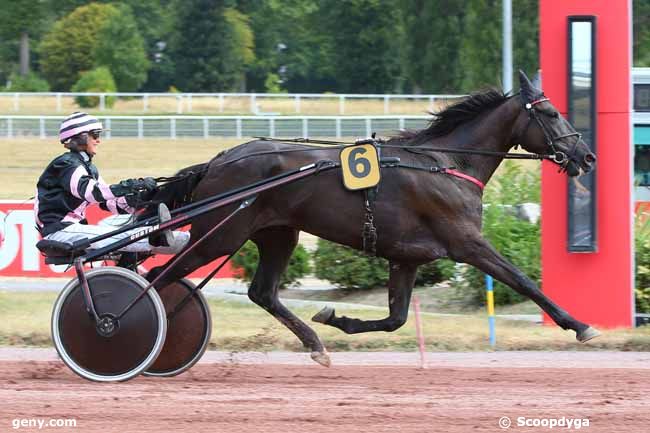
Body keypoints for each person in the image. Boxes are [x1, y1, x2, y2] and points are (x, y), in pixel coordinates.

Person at [34, 112, 189, 255]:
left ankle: (178, 238)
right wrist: (132, 184)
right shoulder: (66, 164)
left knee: (126, 228)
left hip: (71, 229)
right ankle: (171, 239)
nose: (98, 140)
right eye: (94, 135)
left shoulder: (87, 167)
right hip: (60, 231)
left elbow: (110, 203)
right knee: (119, 236)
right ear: (80, 138)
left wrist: (144, 197)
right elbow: (93, 194)